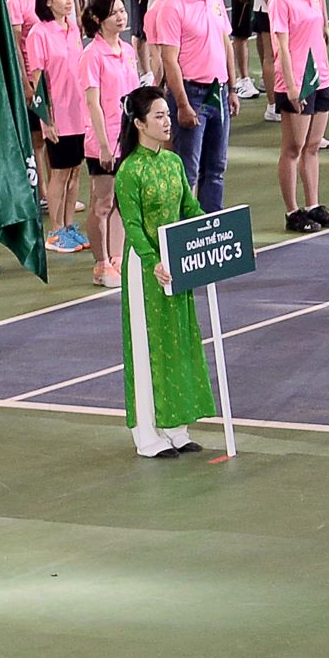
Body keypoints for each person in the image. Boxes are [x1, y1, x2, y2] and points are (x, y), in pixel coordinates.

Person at [109, 88, 217, 456]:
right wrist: (152, 260)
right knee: (147, 346)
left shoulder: (172, 163)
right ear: (139, 124)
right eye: (158, 116)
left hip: (176, 263)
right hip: (146, 270)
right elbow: (133, 225)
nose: (167, 121)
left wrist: (217, 231)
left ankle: (175, 425)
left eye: (167, 114)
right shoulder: (129, 171)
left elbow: (189, 208)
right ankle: (146, 433)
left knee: (179, 342)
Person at [146, 0, 234, 214]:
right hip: (191, 93)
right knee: (188, 169)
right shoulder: (172, 8)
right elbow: (169, 60)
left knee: (216, 166)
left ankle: (212, 221)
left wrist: (232, 88)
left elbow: (225, 43)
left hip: (218, 92)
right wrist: (182, 104)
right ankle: (185, 227)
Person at [266, 0, 329, 230]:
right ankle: (292, 211)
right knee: (293, 148)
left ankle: (313, 205)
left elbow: (318, 40)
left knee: (312, 145)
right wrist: (292, 86)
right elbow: (281, 47)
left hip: (319, 79)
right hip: (296, 81)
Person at [26, 0, 91, 254]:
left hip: (79, 111)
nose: (68, 1)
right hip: (58, 115)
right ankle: (54, 231)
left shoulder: (73, 28)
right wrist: (46, 119)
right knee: (60, 173)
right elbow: (38, 80)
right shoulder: (38, 34)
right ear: (48, 1)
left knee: (75, 171)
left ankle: (68, 226)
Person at [80, 0, 141, 290]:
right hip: (104, 141)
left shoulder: (127, 50)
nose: (121, 17)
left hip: (129, 137)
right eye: (114, 12)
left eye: (122, 11)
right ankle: (101, 264)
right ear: (98, 18)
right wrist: (104, 145)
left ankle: (117, 258)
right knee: (102, 203)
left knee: (122, 201)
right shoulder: (92, 55)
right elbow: (93, 104)